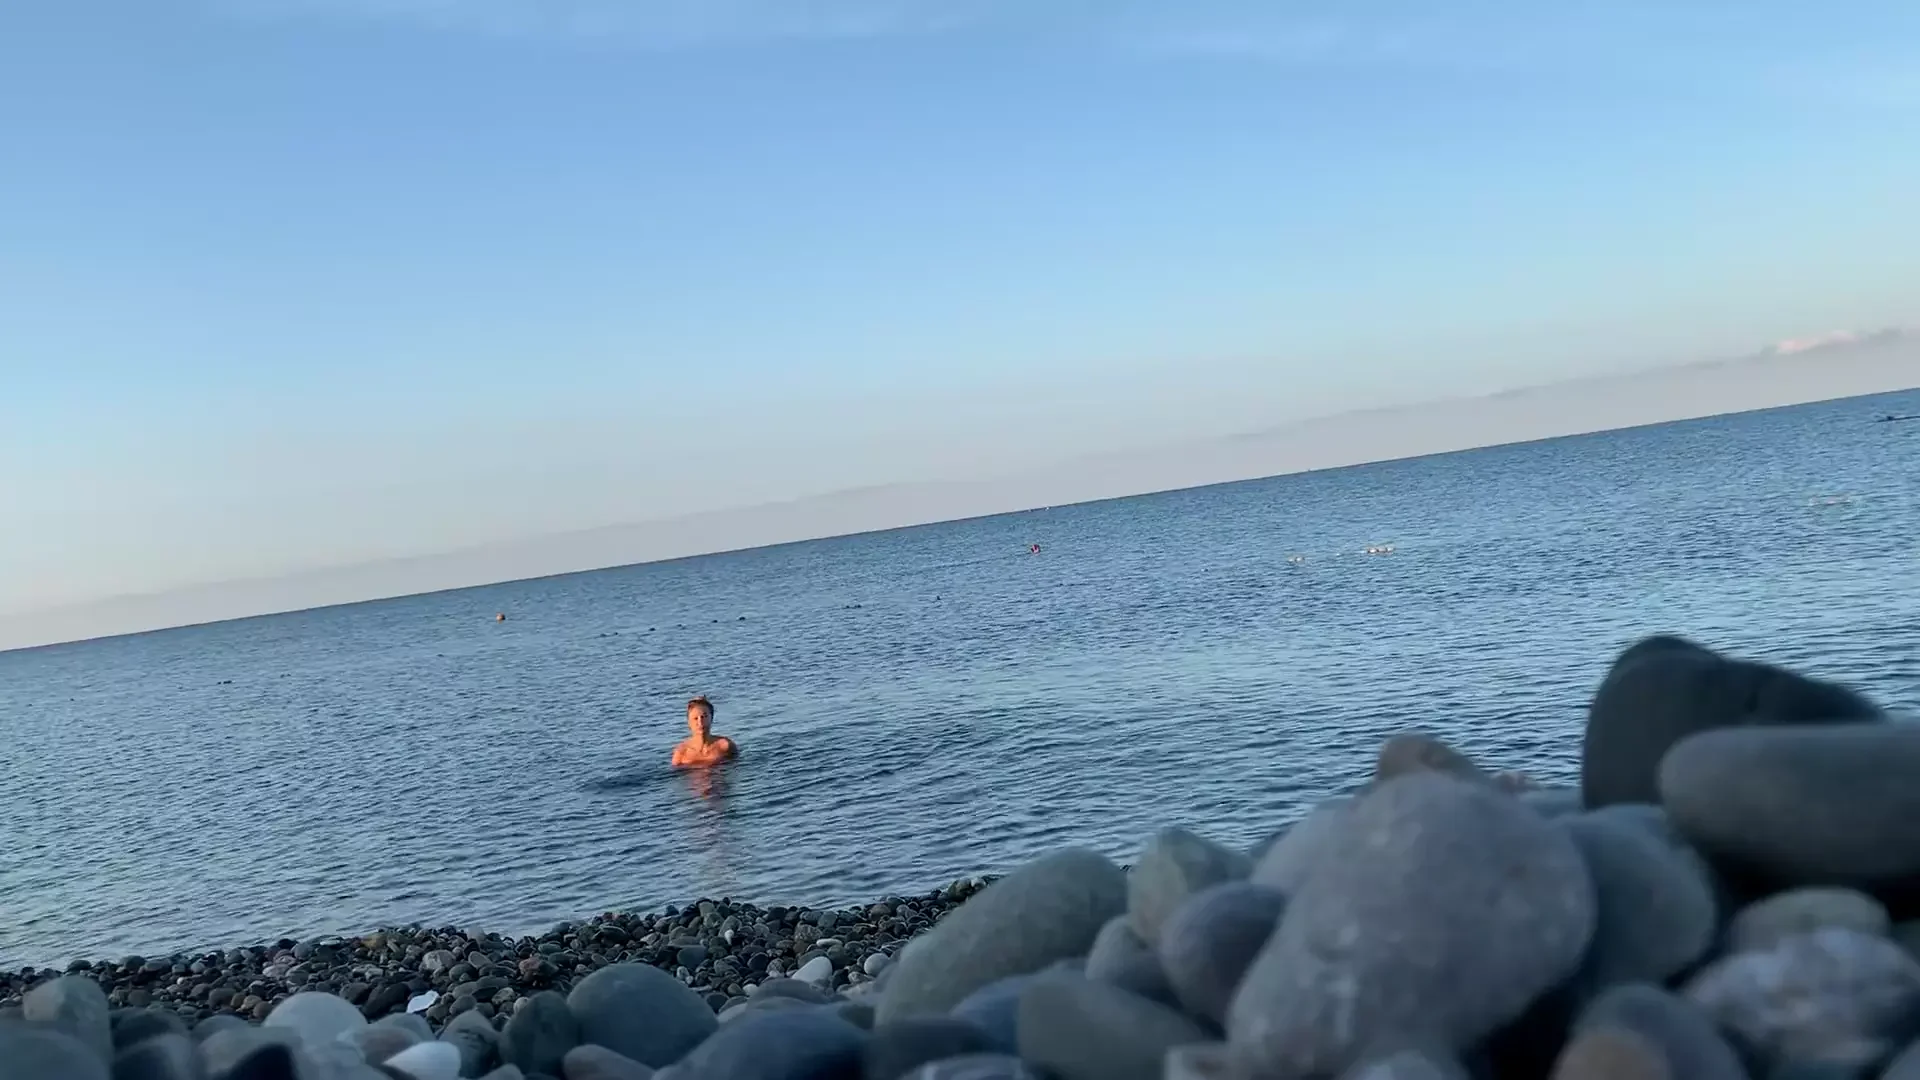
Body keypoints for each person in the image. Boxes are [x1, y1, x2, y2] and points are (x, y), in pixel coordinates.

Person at [671, 696, 738, 768]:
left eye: (704, 716)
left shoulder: (725, 746)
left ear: (711, 718)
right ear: (689, 722)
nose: (700, 722)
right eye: (695, 718)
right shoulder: (681, 752)